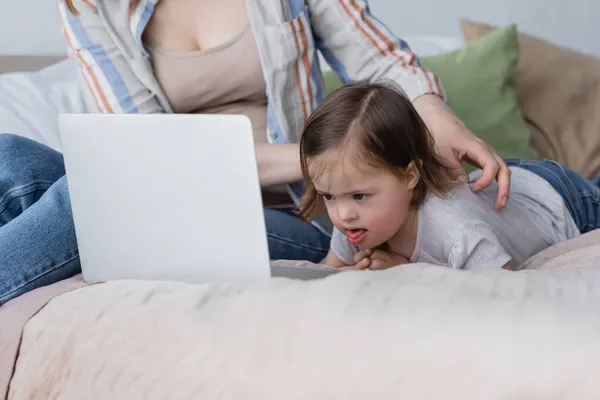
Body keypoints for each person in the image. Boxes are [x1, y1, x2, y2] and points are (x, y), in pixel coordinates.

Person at [0, 0, 509, 305]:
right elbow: (149, 151)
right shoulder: (94, 6)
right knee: (11, 156)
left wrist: (436, 116)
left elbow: (379, 57)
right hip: (176, 200)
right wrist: (328, 158)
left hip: (305, 207)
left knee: (91, 196)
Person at [299, 82, 600, 271]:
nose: (342, 214)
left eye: (360, 196)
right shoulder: (354, 222)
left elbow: (507, 290)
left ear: (409, 177)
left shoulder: (455, 231)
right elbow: (332, 270)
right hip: (493, 199)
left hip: (561, 199)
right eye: (328, 196)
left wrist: (409, 270)